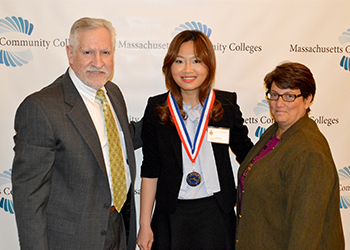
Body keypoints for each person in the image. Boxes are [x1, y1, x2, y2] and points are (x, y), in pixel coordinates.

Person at [12, 17, 142, 250]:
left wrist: (169, 111)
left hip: (118, 229)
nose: (98, 62)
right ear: (70, 54)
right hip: (71, 241)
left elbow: (121, 140)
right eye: (88, 53)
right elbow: (29, 199)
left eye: (105, 52)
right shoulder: (41, 108)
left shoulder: (112, 93)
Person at [136, 30, 253, 250]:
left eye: (197, 61)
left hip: (216, 213)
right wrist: (144, 224)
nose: (188, 69)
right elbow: (150, 169)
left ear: (209, 66)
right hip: (172, 215)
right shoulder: (157, 108)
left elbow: (248, 154)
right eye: (179, 61)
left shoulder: (226, 105)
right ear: (170, 66)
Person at [235, 62, 345, 249]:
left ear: (308, 99)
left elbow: (306, 231)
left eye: (289, 96)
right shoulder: (275, 132)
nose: (279, 104)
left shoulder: (309, 152)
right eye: (275, 95)